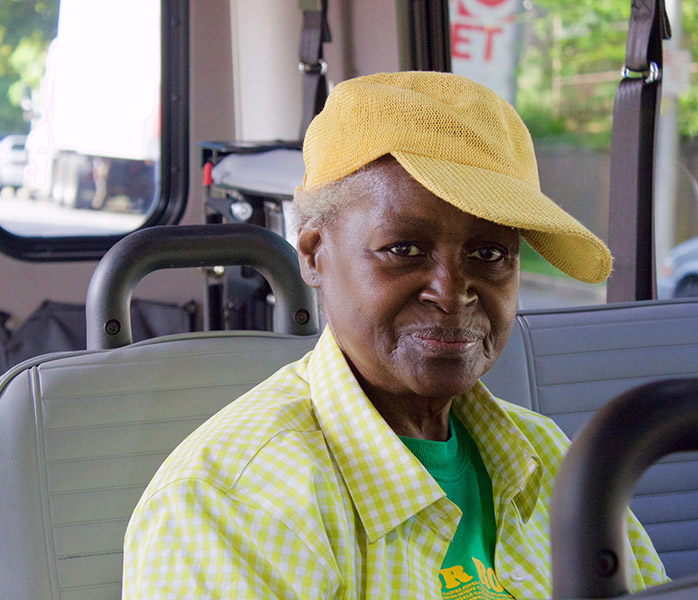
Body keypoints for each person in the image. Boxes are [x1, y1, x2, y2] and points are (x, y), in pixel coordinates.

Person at [122, 72, 668, 599]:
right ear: (313, 254)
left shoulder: (549, 459)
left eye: (489, 254)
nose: (452, 292)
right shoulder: (234, 503)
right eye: (404, 250)